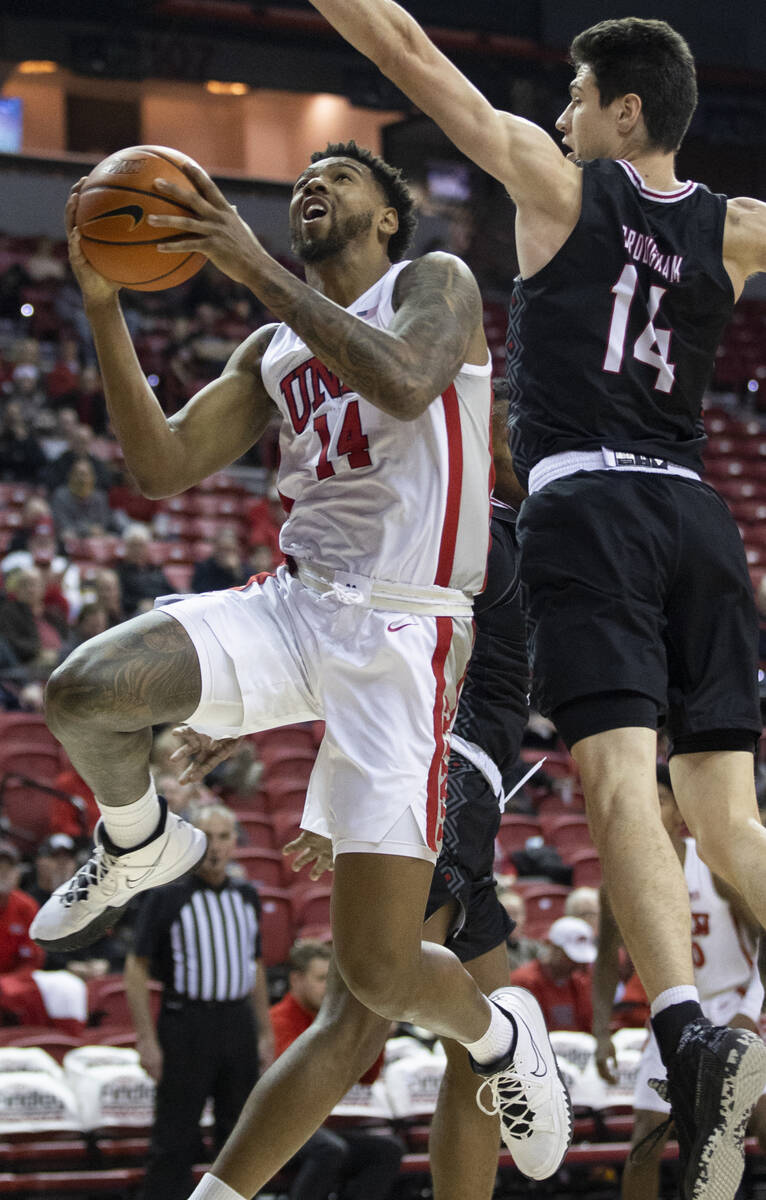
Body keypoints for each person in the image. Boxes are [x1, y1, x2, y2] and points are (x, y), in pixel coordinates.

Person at [34, 144, 570, 1190]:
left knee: (374, 971)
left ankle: (501, 1034)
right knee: (84, 691)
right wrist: (103, 305)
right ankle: (138, 838)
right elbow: (158, 469)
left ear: (386, 217)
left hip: (404, 635)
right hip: (294, 604)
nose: (314, 185)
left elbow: (410, 383)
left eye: (344, 175)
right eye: (306, 176)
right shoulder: (270, 348)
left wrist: (245, 264)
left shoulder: (433, 284)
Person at [305, 4, 766, 1193]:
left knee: (619, 780)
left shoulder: (560, 189)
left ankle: (687, 1035)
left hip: (592, 510)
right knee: (728, 823)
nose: (555, 118)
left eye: (573, 100)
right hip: (701, 520)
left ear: (622, 112)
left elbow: (404, 51)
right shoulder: (736, 229)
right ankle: (698, 1038)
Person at [172, 477, 561, 1200]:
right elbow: (374, 647)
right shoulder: (456, 518)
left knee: (475, 1059)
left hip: (456, 779)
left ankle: (504, 1043)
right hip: (441, 766)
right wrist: (330, 779)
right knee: (355, 1023)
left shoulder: (514, 523)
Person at [593, 766, 766, 1200]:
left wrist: (752, 1006)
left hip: (734, 1003)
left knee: (764, 1121)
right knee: (643, 1144)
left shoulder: (714, 865)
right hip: (672, 1012)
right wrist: (600, 1034)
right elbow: (604, 964)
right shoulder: (619, 880)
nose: (651, 806)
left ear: (679, 814)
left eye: (662, 799)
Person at [123, 804, 273, 1200]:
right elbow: (136, 968)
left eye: (223, 837)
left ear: (234, 844)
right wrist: (145, 1039)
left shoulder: (246, 895)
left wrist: (264, 1031)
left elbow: (254, 964)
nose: (215, 847)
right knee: (174, 1138)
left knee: (239, 1137)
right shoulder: (166, 896)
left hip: (237, 1022)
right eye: (205, 837)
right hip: (186, 1025)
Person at [270, 940, 403, 1200]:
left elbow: (366, 1078)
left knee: (388, 1150)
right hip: (278, 1130)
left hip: (318, 1129)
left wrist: (377, 1037)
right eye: (321, 978)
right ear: (296, 980)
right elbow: (299, 1077)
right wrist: (346, 1038)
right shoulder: (278, 1020)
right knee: (329, 1150)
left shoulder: (332, 1020)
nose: (329, 988)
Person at [509, 916, 596, 1034]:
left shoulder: (581, 983)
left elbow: (590, 1026)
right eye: (570, 957)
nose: (577, 965)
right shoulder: (522, 982)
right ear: (551, 945)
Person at [114, 523, 173, 617]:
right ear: (126, 548)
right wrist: (139, 604)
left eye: (141, 545)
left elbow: (170, 592)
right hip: (136, 615)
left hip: (162, 610)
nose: (137, 550)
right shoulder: (120, 572)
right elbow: (121, 599)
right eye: (134, 545)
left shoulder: (156, 570)